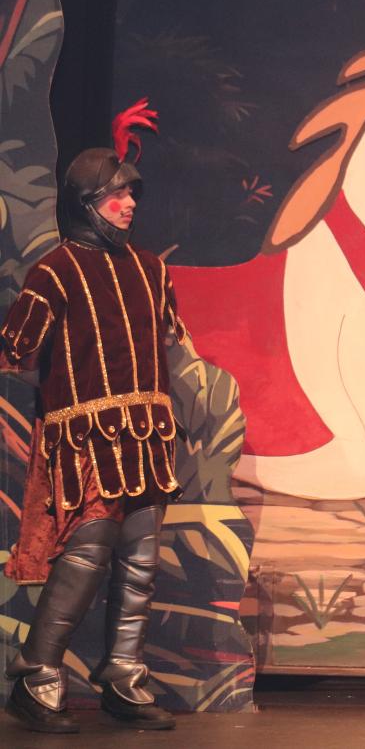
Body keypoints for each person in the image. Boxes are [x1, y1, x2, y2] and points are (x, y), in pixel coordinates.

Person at [2, 101, 185, 732]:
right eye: (115, 197)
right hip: (88, 442)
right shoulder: (55, 270)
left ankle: (123, 676)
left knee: (141, 560)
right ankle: (37, 676)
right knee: (86, 555)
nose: (129, 205)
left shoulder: (152, 270)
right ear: (86, 203)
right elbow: (18, 349)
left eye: (131, 195)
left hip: (148, 439)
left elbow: (163, 341)